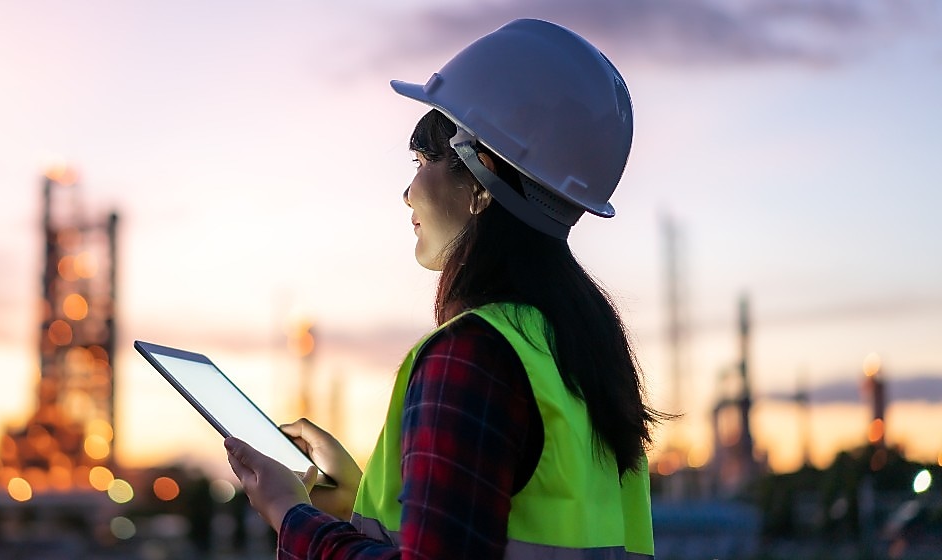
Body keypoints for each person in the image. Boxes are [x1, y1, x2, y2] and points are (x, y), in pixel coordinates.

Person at [224, 18, 666, 559]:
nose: (408, 192)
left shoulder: (472, 355)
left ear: (481, 181)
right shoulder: (580, 350)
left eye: (425, 160)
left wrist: (287, 512)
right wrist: (351, 500)